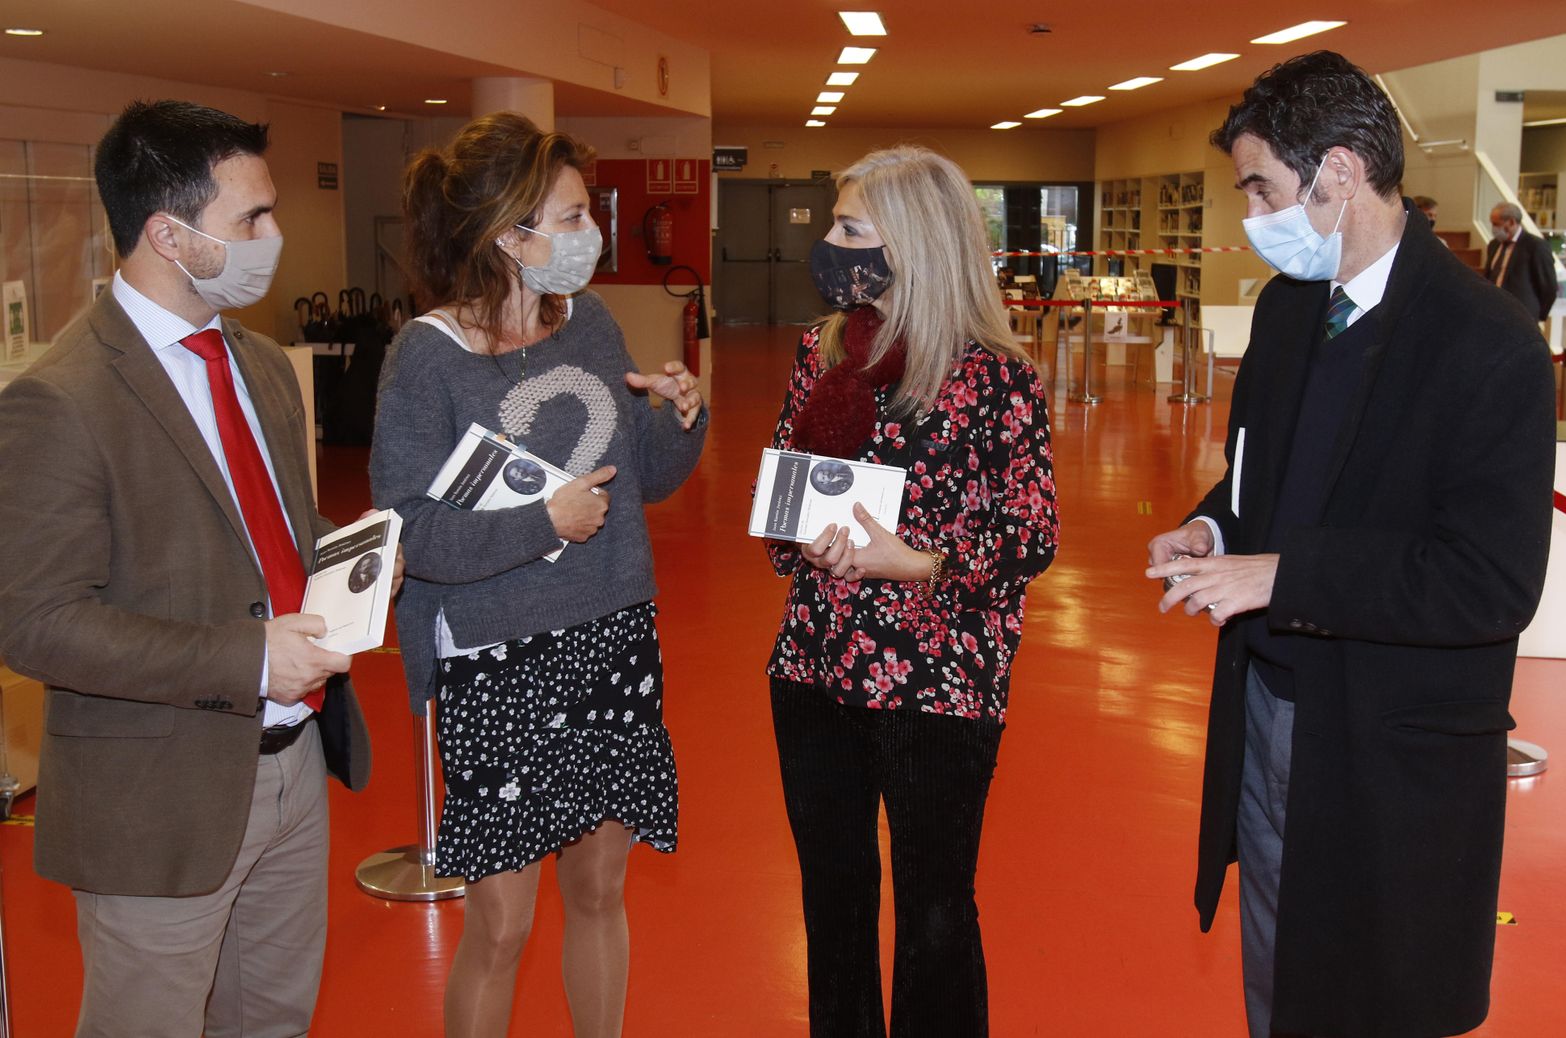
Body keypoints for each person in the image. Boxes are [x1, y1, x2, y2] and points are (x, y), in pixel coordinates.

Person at [1144, 52, 1555, 1038]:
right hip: (1268, 704)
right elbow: (1261, 474)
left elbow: (1489, 581)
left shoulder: (1486, 342)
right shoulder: (1290, 308)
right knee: (1277, 971)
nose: (1252, 214)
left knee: (1374, 985)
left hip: (1386, 737)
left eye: (1261, 188)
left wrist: (1284, 576)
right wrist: (1213, 526)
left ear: (1337, 171)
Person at [0, 99, 377, 1036]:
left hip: (294, 766)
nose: (275, 238)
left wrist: (356, 555)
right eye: (252, 218)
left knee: (273, 1019)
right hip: (159, 799)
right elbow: (37, 623)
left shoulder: (256, 362)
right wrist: (249, 661)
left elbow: (273, 526)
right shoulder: (61, 399)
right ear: (168, 235)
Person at [369, 112, 705, 1038]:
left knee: (599, 888)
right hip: (498, 659)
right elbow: (407, 532)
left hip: (612, 634)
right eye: (569, 216)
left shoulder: (589, 324)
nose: (589, 231)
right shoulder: (426, 358)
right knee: (503, 923)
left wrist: (680, 417)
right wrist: (539, 524)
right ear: (506, 235)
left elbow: (647, 479)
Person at [764, 145, 1059, 1037]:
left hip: (940, 681)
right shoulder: (821, 355)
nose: (831, 243)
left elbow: (1031, 534)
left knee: (936, 913)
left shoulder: (996, 379)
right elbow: (782, 502)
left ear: (915, 240)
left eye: (851, 227)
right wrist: (799, 536)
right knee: (834, 904)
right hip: (814, 669)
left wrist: (920, 562)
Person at [1485, 201, 1559, 322]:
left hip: (1522, 316)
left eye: (1496, 224)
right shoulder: (1493, 245)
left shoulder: (1536, 246)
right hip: (1494, 313)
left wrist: (1537, 314)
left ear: (1511, 222)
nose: (1493, 228)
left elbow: (1548, 287)